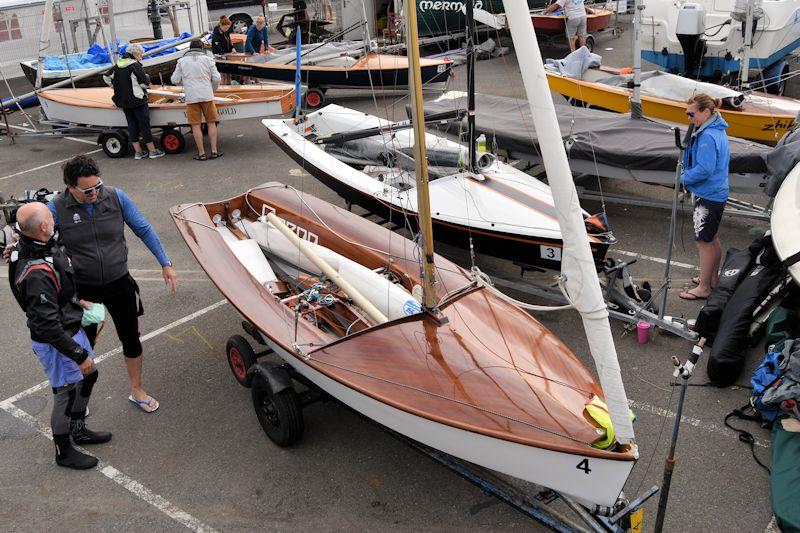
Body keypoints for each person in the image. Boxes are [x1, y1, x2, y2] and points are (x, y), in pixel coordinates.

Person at [50, 155, 179, 413]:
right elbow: (38, 239)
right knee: (81, 347)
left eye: (98, 186)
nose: (94, 193)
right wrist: (18, 249)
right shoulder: (56, 207)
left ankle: (137, 390)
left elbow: (143, 228)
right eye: (87, 190)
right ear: (70, 187)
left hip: (119, 283)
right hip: (83, 290)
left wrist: (165, 262)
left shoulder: (115, 197)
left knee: (131, 338)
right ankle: (79, 398)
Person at [9, 202, 112, 470]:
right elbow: (46, 325)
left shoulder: (29, 245)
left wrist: (77, 300)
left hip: (69, 327)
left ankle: (78, 429)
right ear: (43, 227)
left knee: (90, 375)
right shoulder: (37, 272)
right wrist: (77, 354)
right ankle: (63, 450)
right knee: (66, 393)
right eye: (50, 219)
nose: (54, 221)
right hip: (58, 340)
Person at [679, 93, 730, 301]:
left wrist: (683, 177)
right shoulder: (716, 129)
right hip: (717, 192)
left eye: (692, 114)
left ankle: (704, 287)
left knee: (703, 242)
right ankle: (711, 278)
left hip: (708, 194)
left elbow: (704, 169)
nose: (689, 119)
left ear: (706, 112)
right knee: (712, 238)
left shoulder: (707, 136)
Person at [103, 43, 165, 160]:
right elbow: (144, 83)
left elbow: (106, 77)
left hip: (123, 101)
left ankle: (138, 152)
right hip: (137, 101)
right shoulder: (134, 66)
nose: (141, 57)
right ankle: (152, 151)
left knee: (132, 125)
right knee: (144, 125)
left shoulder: (118, 65)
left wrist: (114, 86)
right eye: (140, 55)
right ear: (135, 54)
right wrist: (147, 82)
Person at [171, 39, 223, 160]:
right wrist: (212, 90)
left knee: (195, 125)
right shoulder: (208, 60)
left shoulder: (181, 61)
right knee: (211, 122)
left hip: (191, 96)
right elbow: (217, 78)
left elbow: (174, 80)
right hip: (207, 94)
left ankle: (201, 153)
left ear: (190, 48)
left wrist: (184, 85)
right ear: (202, 48)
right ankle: (214, 151)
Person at [211, 15, 234, 84]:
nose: (226, 29)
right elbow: (217, 48)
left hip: (227, 55)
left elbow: (229, 41)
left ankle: (229, 87)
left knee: (228, 75)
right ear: (221, 25)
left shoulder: (226, 32)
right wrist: (224, 54)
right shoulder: (216, 35)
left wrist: (232, 48)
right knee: (223, 75)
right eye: (225, 28)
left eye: (228, 28)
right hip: (220, 56)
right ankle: (223, 88)